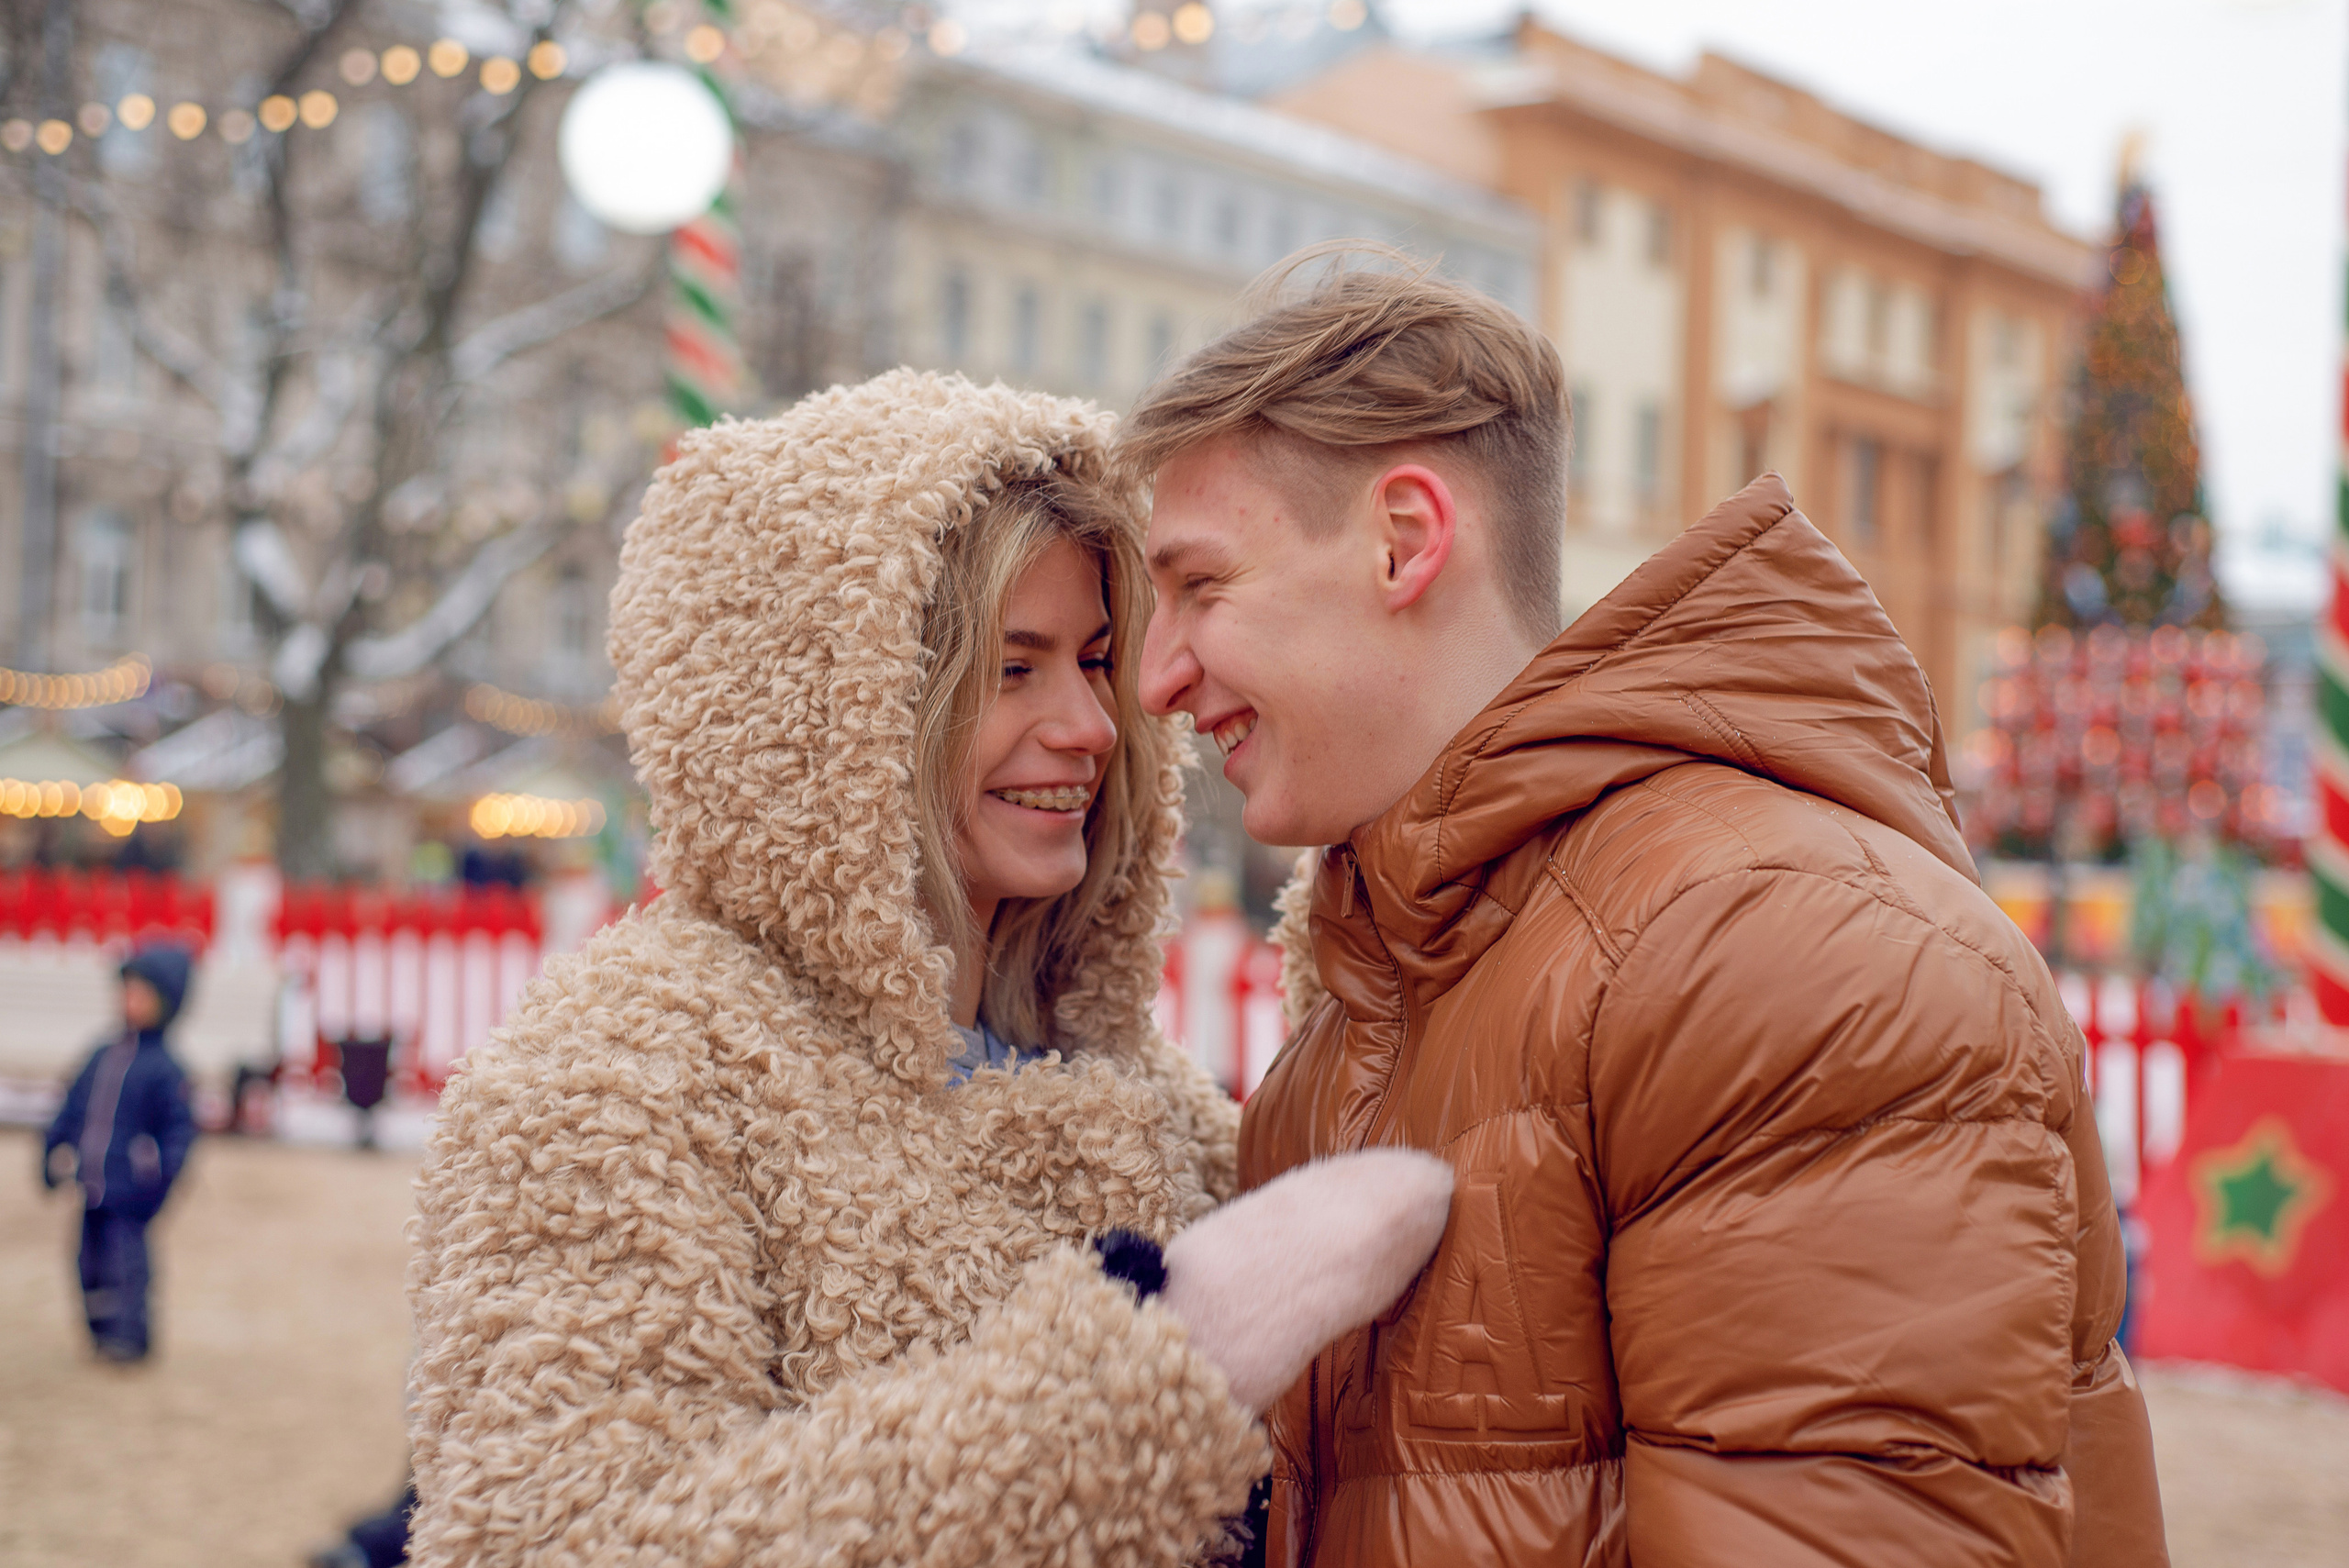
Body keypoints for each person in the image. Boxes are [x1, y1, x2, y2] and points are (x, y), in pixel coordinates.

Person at [1123, 252, 2171, 1566]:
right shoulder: (1363, 1024)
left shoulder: (1778, 952)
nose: (1159, 677)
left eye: (1200, 586)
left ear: (1404, 541)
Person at [405, 370, 1453, 1568]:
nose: (1093, 726)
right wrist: (1141, 1382)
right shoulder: (618, 1082)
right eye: (1013, 668)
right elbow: (560, 1546)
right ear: (835, 713)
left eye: (1098, 660)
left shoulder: (1147, 1099)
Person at [42, 943, 200, 1363]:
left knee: (127, 1267)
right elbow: (72, 1106)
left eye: (142, 994)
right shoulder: (102, 1054)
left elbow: (179, 1135)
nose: (130, 1002)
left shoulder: (167, 1069)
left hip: (131, 1192)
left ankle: (130, 1339)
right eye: (126, 991)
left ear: (166, 1004)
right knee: (88, 1264)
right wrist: (52, 1149)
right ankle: (100, 1333)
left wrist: (159, 1183)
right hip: (91, 1183)